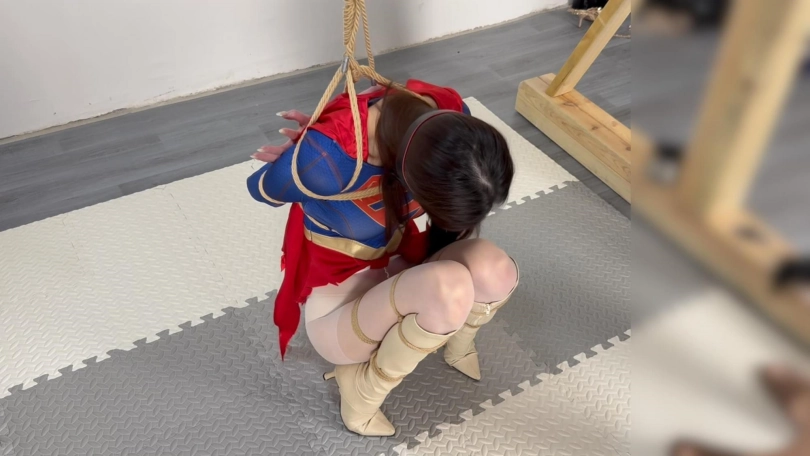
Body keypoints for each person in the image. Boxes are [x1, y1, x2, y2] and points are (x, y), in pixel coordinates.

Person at [246, 79, 519, 436]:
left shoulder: (448, 115)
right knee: (448, 285)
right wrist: (302, 156)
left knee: (496, 270)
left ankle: (456, 340)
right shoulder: (330, 161)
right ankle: (361, 391)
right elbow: (260, 189)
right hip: (339, 299)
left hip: (404, 263)